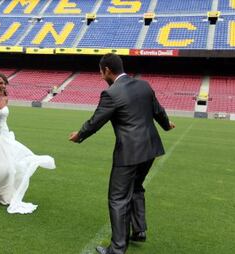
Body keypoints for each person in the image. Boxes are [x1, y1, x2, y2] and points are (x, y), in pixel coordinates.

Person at [69, 53, 175, 254]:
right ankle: (139, 230)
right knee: (136, 188)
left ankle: (117, 249)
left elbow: (96, 120)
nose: (101, 76)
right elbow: (158, 110)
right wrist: (166, 126)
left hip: (129, 154)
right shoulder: (144, 85)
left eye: (101, 72)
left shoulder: (111, 93)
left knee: (118, 199)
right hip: (150, 149)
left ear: (107, 70)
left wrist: (79, 135)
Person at [0, 73, 55, 214]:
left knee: (10, 168)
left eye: (4, 83)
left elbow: (4, 119)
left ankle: (4, 195)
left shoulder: (5, 98)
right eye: (0, 83)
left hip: (5, 135)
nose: (3, 86)